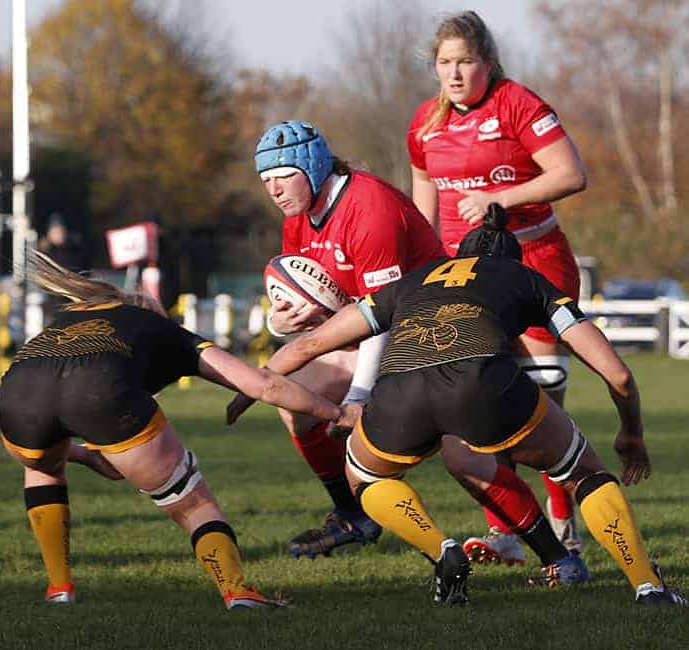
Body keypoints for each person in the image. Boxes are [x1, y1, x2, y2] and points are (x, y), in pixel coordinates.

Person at [250, 208, 686, 607]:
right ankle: (649, 587)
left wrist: (252, 384)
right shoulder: (526, 279)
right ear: (513, 261)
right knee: (582, 473)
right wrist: (632, 433)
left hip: (402, 391)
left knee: (365, 476)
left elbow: (311, 342)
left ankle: (442, 548)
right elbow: (619, 375)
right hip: (484, 386)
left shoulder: (414, 280)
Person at [234, 121, 590, 580]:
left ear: (311, 165)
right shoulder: (298, 220)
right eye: (266, 181)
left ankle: (558, 555)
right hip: (384, 335)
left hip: (435, 337)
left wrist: (359, 396)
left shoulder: (370, 207)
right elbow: (323, 306)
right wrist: (279, 322)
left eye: (282, 176)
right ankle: (353, 514)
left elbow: (380, 314)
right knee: (296, 399)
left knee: (465, 459)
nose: (274, 190)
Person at [0, 251, 344, 609]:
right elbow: (265, 386)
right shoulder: (164, 330)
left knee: (40, 467)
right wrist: (333, 411)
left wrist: (84, 455)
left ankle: (59, 588)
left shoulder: (67, 318)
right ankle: (237, 590)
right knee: (192, 503)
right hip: (101, 392)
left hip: (14, 399)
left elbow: (53, 393)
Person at [407, 10, 588, 562]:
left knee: (543, 394)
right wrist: (423, 267)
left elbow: (570, 172)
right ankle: (506, 531)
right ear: (433, 67)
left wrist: (500, 201)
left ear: (488, 61)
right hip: (468, 277)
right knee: (477, 402)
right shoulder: (424, 123)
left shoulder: (518, 104)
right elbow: (424, 204)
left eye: (465, 61)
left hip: (534, 259)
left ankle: (563, 521)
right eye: (445, 63)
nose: (455, 73)